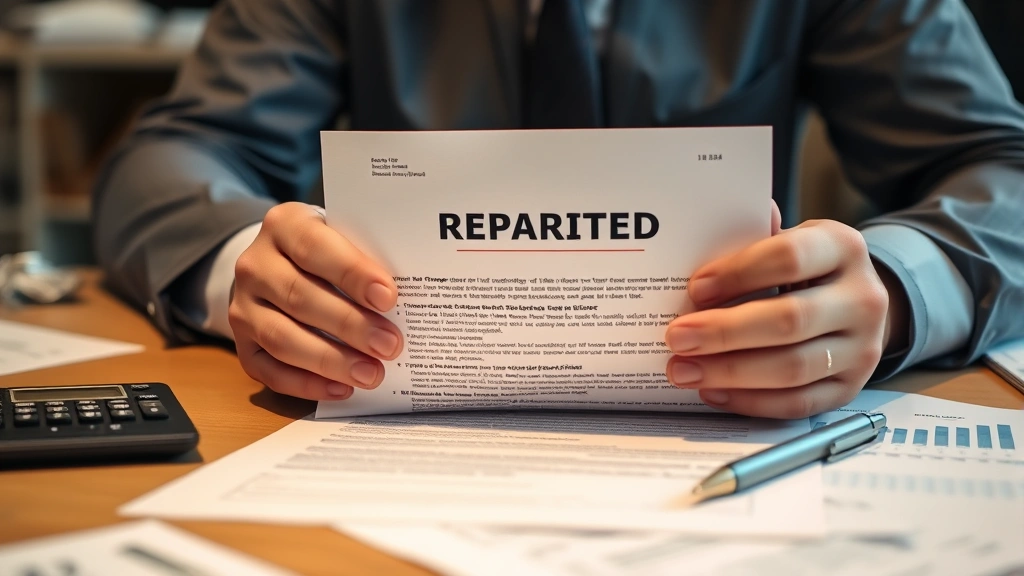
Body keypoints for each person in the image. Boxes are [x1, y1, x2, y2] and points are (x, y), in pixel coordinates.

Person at [92, 0, 1024, 419]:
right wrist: (246, 266)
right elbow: (173, 155)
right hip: (389, 409)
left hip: (721, 416)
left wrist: (897, 292)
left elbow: (1004, 164)